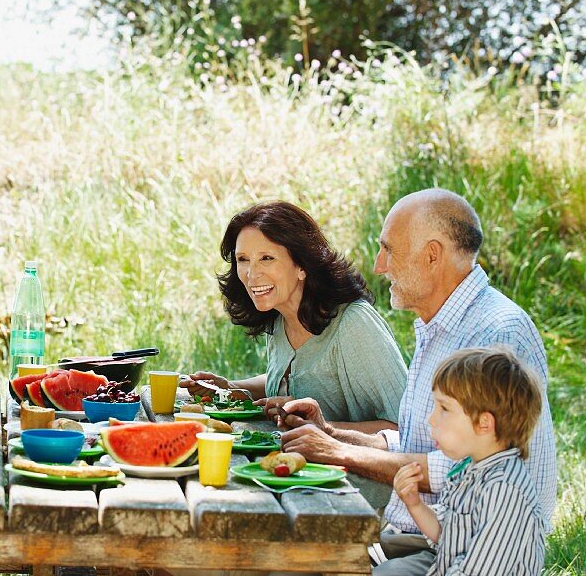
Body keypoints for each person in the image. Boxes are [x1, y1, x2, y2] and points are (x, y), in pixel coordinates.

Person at [277, 188, 556, 575]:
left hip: (469, 552)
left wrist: (338, 453)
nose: (378, 265)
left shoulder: (496, 333)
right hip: (422, 532)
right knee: (285, 554)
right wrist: (330, 432)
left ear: (431, 255)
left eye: (389, 249)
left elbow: (463, 468)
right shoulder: (437, 325)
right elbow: (412, 442)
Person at [181, 201, 406, 429]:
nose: (251, 274)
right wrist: (231, 387)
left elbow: (405, 430)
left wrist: (323, 427)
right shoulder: (280, 315)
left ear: (301, 265)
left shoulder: (354, 325)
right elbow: (294, 380)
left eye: (266, 258)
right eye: (243, 260)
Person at [387, 347, 545, 575]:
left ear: (484, 423)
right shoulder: (469, 468)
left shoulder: (504, 489)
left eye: (444, 408)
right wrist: (414, 504)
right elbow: (446, 533)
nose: (431, 419)